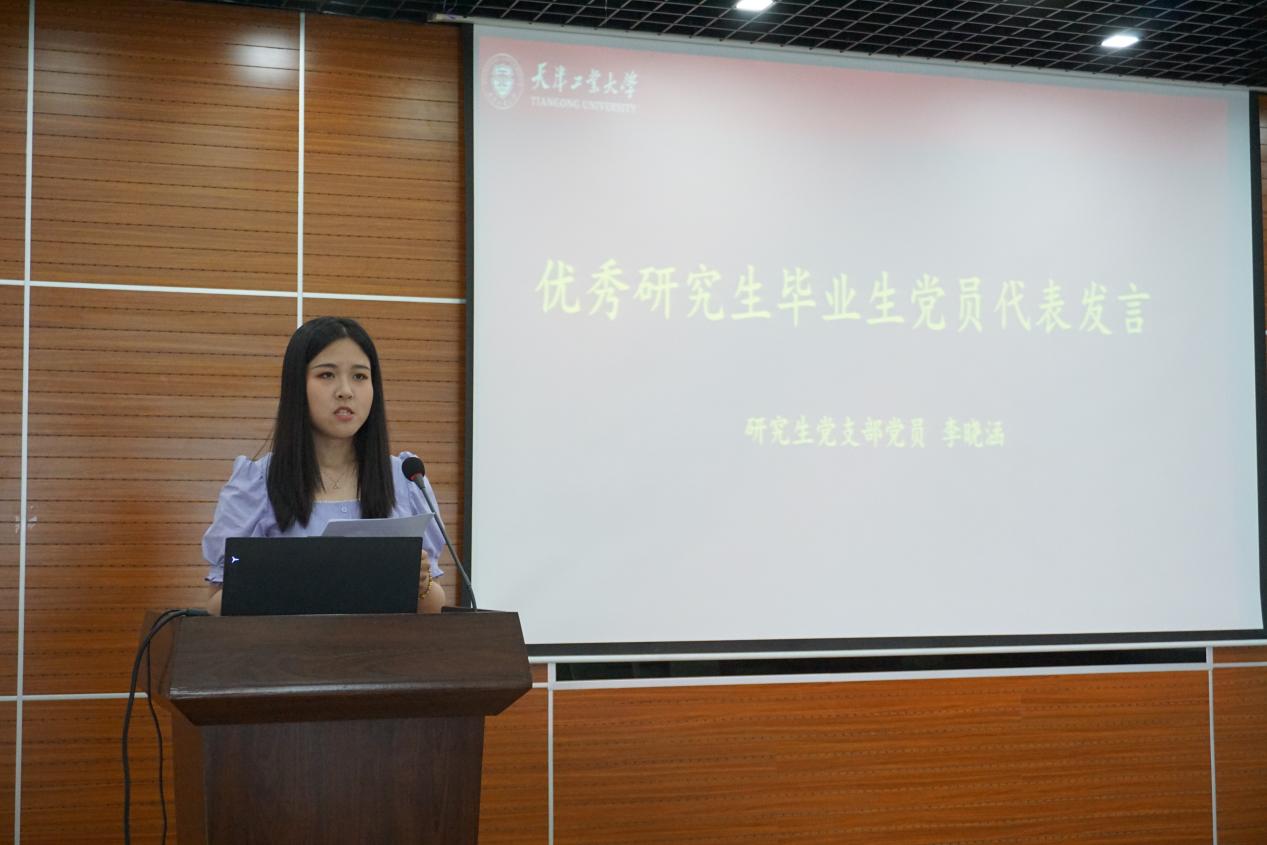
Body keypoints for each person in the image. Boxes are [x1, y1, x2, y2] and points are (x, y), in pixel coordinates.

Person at [202, 316, 447, 614]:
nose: (346, 391)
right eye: (327, 375)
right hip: (287, 644)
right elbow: (216, 605)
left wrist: (421, 584)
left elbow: (434, 606)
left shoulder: (406, 479)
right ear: (297, 385)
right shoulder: (257, 483)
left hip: (383, 644)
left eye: (360, 376)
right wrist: (285, 575)